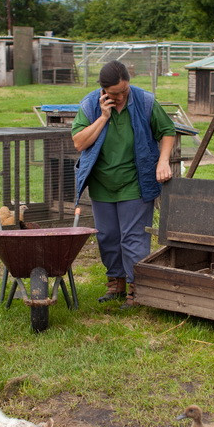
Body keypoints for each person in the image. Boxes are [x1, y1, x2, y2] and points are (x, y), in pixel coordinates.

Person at [72, 61, 176, 307]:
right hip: (102, 183)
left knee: (134, 237)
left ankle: (136, 288)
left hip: (135, 181)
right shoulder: (89, 105)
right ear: (103, 90)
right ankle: (115, 283)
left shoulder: (145, 101)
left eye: (124, 91)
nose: (120, 97)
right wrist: (103, 117)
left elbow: (167, 130)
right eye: (114, 93)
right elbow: (79, 142)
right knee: (108, 236)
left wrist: (163, 161)